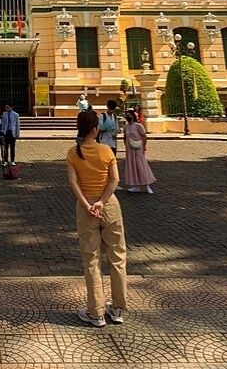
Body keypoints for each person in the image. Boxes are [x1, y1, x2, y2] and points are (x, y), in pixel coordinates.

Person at [66, 109, 127, 327]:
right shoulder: (106, 151)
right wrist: (101, 202)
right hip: (109, 205)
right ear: (95, 129)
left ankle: (96, 312)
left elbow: (73, 184)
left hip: (86, 209)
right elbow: (114, 180)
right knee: (117, 258)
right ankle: (118, 309)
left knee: (91, 260)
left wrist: (88, 205)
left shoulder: (74, 152)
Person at [122, 111, 155, 194]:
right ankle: (135, 185)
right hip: (130, 150)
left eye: (129, 115)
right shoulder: (126, 127)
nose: (128, 117)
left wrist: (143, 146)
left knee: (141, 165)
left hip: (138, 149)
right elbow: (125, 137)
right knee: (132, 166)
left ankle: (147, 185)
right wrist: (126, 146)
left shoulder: (138, 126)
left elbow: (144, 136)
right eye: (126, 116)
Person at [1, 101, 19, 166]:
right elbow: (3, 124)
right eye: (6, 107)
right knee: (5, 147)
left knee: (12, 147)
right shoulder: (4, 114)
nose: (6, 108)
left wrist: (17, 134)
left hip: (12, 132)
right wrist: (2, 132)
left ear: (11, 107)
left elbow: (17, 125)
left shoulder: (16, 115)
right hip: (6, 132)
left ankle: (12, 160)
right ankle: (5, 160)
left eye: (8, 107)